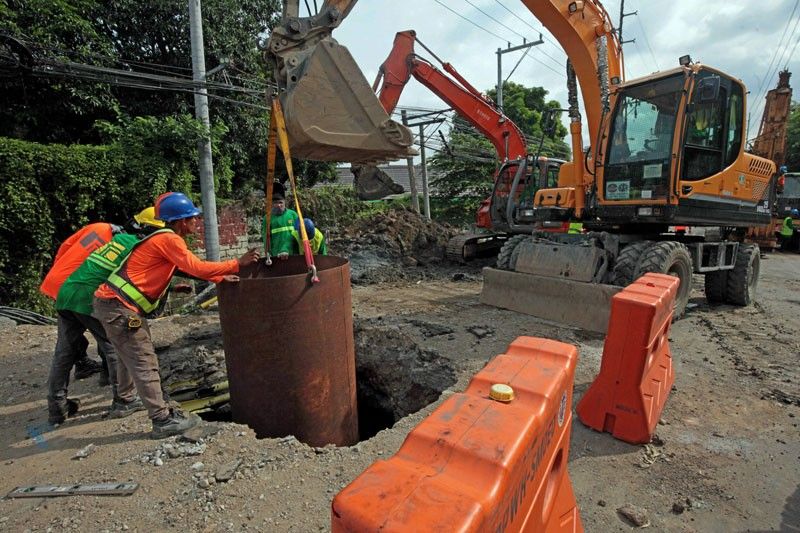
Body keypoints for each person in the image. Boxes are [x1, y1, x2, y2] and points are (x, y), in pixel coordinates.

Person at [93, 192, 259, 438]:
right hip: (118, 307)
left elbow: (185, 269)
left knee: (129, 355)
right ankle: (162, 420)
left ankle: (124, 402)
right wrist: (237, 264)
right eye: (193, 217)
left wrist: (219, 277)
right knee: (144, 360)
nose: (196, 221)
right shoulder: (169, 240)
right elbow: (196, 267)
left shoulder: (163, 239)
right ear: (182, 221)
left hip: (112, 305)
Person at [46, 207, 165, 425]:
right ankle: (123, 399)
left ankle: (57, 407)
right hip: (87, 294)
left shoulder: (99, 228)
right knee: (114, 344)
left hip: (64, 287)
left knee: (64, 351)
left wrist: (63, 273)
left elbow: (64, 248)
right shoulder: (132, 245)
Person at [41, 221, 124, 382]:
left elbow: (65, 247)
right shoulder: (119, 244)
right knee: (109, 337)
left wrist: (59, 272)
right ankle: (120, 392)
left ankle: (58, 403)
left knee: (67, 342)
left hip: (59, 283)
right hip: (82, 289)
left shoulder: (97, 227)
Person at [261, 183, 299, 260]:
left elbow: (299, 234)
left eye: (280, 202)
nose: (278, 205)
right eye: (275, 203)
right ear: (271, 204)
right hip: (276, 255)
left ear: (285, 202)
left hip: (294, 254)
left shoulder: (293, 215)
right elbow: (266, 238)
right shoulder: (267, 218)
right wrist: (268, 254)